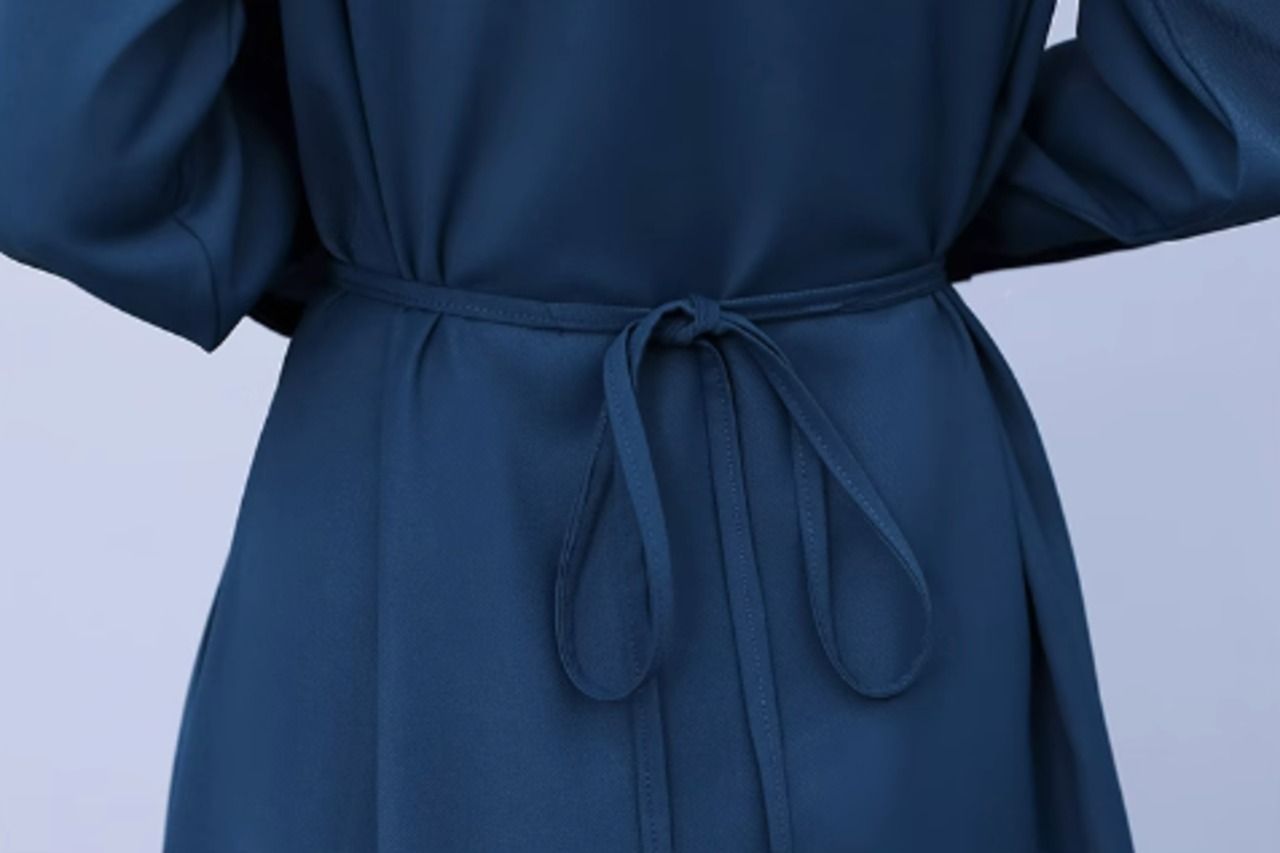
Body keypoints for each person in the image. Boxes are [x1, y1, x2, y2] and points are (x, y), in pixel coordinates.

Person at [1, 0, 1276, 850]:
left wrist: (389, 247)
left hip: (428, 500)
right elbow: (1239, 74)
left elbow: (73, 141)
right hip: (881, 476)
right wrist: (885, 227)